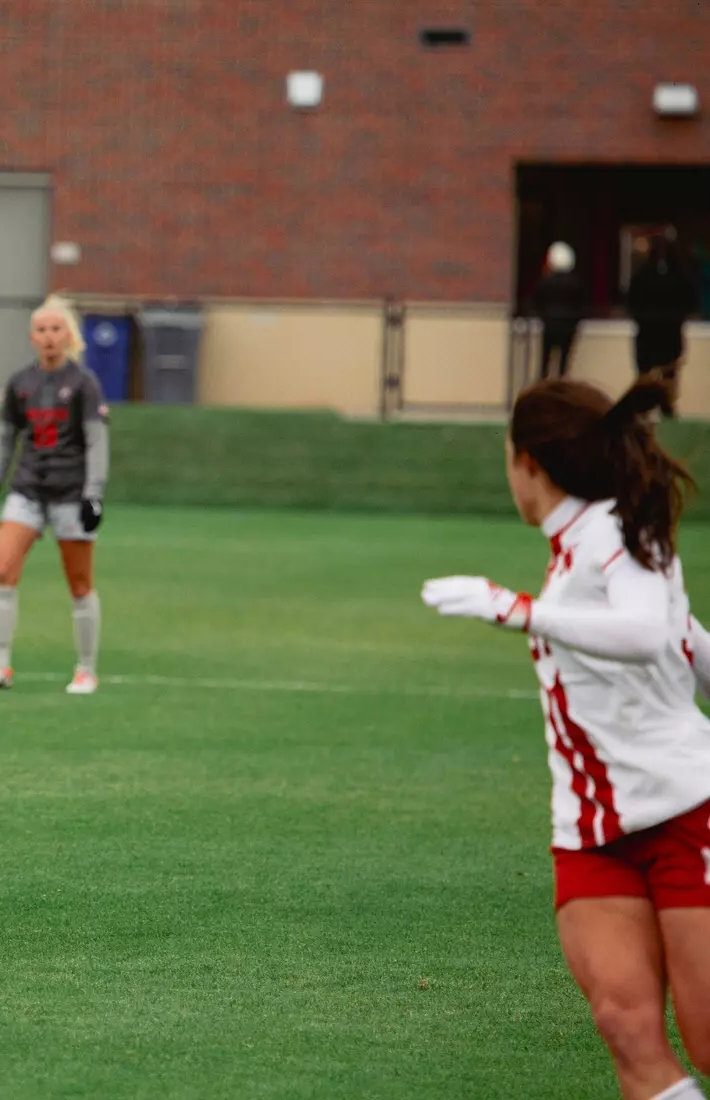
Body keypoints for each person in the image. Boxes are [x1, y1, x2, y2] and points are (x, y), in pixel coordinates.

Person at [421, 376, 710, 1100]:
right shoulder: (575, 547)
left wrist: (514, 609)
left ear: (530, 464)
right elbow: (685, 644)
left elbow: (649, 634)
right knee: (624, 1024)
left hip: (683, 814)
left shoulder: (614, 530)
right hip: (590, 828)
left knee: (706, 1038)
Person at [0, 295, 109, 695]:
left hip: (70, 493)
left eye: (56, 329)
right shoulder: (20, 383)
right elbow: (6, 436)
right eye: (42, 330)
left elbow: (97, 441)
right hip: (27, 489)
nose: (49, 337)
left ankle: (86, 669)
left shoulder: (84, 384)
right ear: (32, 336)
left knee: (80, 583)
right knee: (2, 571)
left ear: (69, 336)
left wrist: (93, 494)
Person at [627, 233, 699, 417]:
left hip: (665, 335)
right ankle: (646, 409)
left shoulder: (673, 275)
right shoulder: (646, 274)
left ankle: (664, 409)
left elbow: (689, 301)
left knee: (666, 377)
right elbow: (632, 302)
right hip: (655, 335)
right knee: (648, 376)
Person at [534, 241, 585, 381]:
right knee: (564, 361)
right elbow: (581, 305)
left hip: (549, 325)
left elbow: (537, 302)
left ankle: (543, 385)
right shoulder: (576, 283)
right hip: (568, 326)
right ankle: (561, 385)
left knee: (546, 360)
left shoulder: (545, 282)